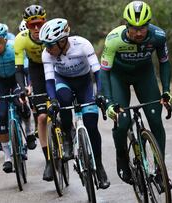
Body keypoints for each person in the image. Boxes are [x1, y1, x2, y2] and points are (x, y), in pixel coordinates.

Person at [100, 1, 172, 187]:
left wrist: (166, 90)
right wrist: (109, 102)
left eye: (143, 28)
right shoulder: (113, 38)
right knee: (122, 121)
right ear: (127, 25)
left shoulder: (158, 36)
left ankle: (160, 171)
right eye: (134, 28)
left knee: (155, 119)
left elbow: (164, 62)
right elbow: (104, 71)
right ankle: (121, 157)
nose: (139, 33)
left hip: (144, 75)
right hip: (118, 77)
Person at [39, 18, 110, 189]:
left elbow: (98, 73)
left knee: (92, 125)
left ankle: (99, 167)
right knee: (62, 99)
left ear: (62, 41)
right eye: (45, 45)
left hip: (85, 83)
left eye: (50, 45)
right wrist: (53, 100)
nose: (47, 49)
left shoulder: (83, 45)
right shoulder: (47, 54)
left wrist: (100, 93)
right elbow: (49, 81)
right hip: (63, 81)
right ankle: (68, 137)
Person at [0, 22, 35, 173]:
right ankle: (8, 157)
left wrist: (28, 86)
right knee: (1, 114)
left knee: (21, 104)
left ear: (5, 38)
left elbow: (27, 71)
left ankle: (29, 133)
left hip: (16, 78)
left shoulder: (14, 46)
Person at [14, 4, 51, 181]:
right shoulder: (21, 39)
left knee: (63, 104)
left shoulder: (52, 32)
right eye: (31, 25)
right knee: (42, 117)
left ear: (45, 22)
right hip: (37, 70)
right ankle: (49, 162)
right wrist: (22, 88)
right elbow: (19, 68)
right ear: (26, 25)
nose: (36, 28)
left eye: (39, 24)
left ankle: (69, 132)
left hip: (54, 67)